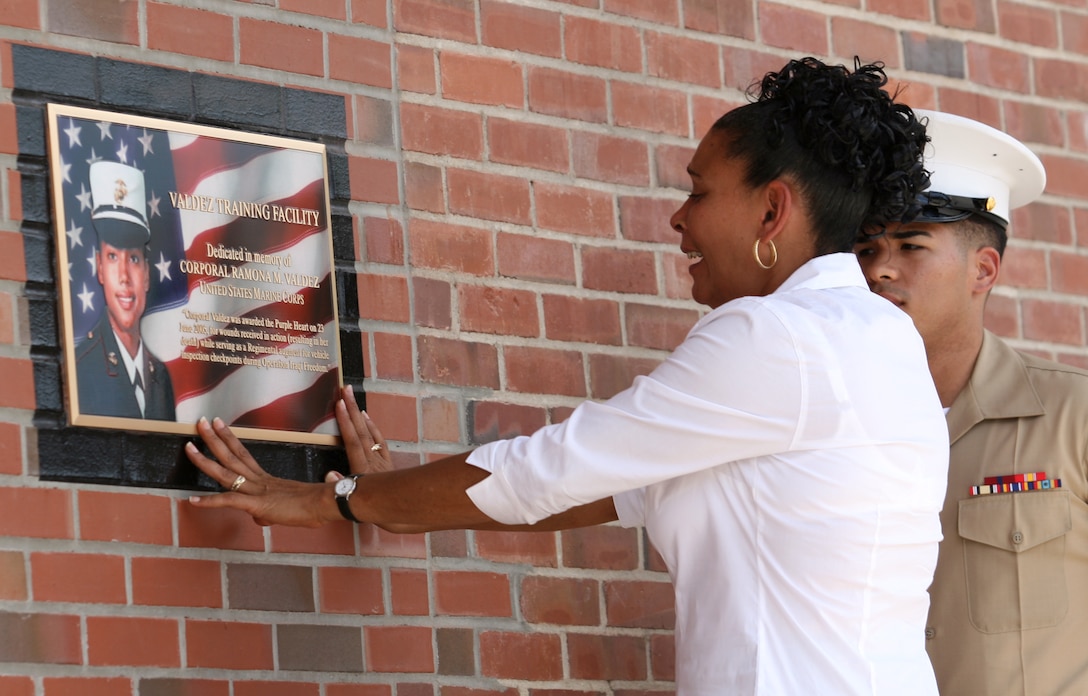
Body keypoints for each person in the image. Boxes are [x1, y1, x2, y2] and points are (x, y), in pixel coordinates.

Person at [186, 57, 948, 695]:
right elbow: (606, 488)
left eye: (698, 191)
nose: (678, 220)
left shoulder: (776, 335)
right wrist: (394, 502)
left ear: (772, 211)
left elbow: (554, 470)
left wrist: (338, 502)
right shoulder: (879, 337)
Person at [854, 110, 1088, 696]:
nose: (880, 268)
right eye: (865, 249)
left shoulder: (1073, 418)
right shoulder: (837, 423)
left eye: (910, 244)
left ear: (982, 270)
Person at [75, 160, 176, 421]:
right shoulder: (80, 369)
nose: (123, 277)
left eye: (132, 259)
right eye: (112, 257)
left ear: (146, 274)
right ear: (99, 267)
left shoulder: (160, 378)